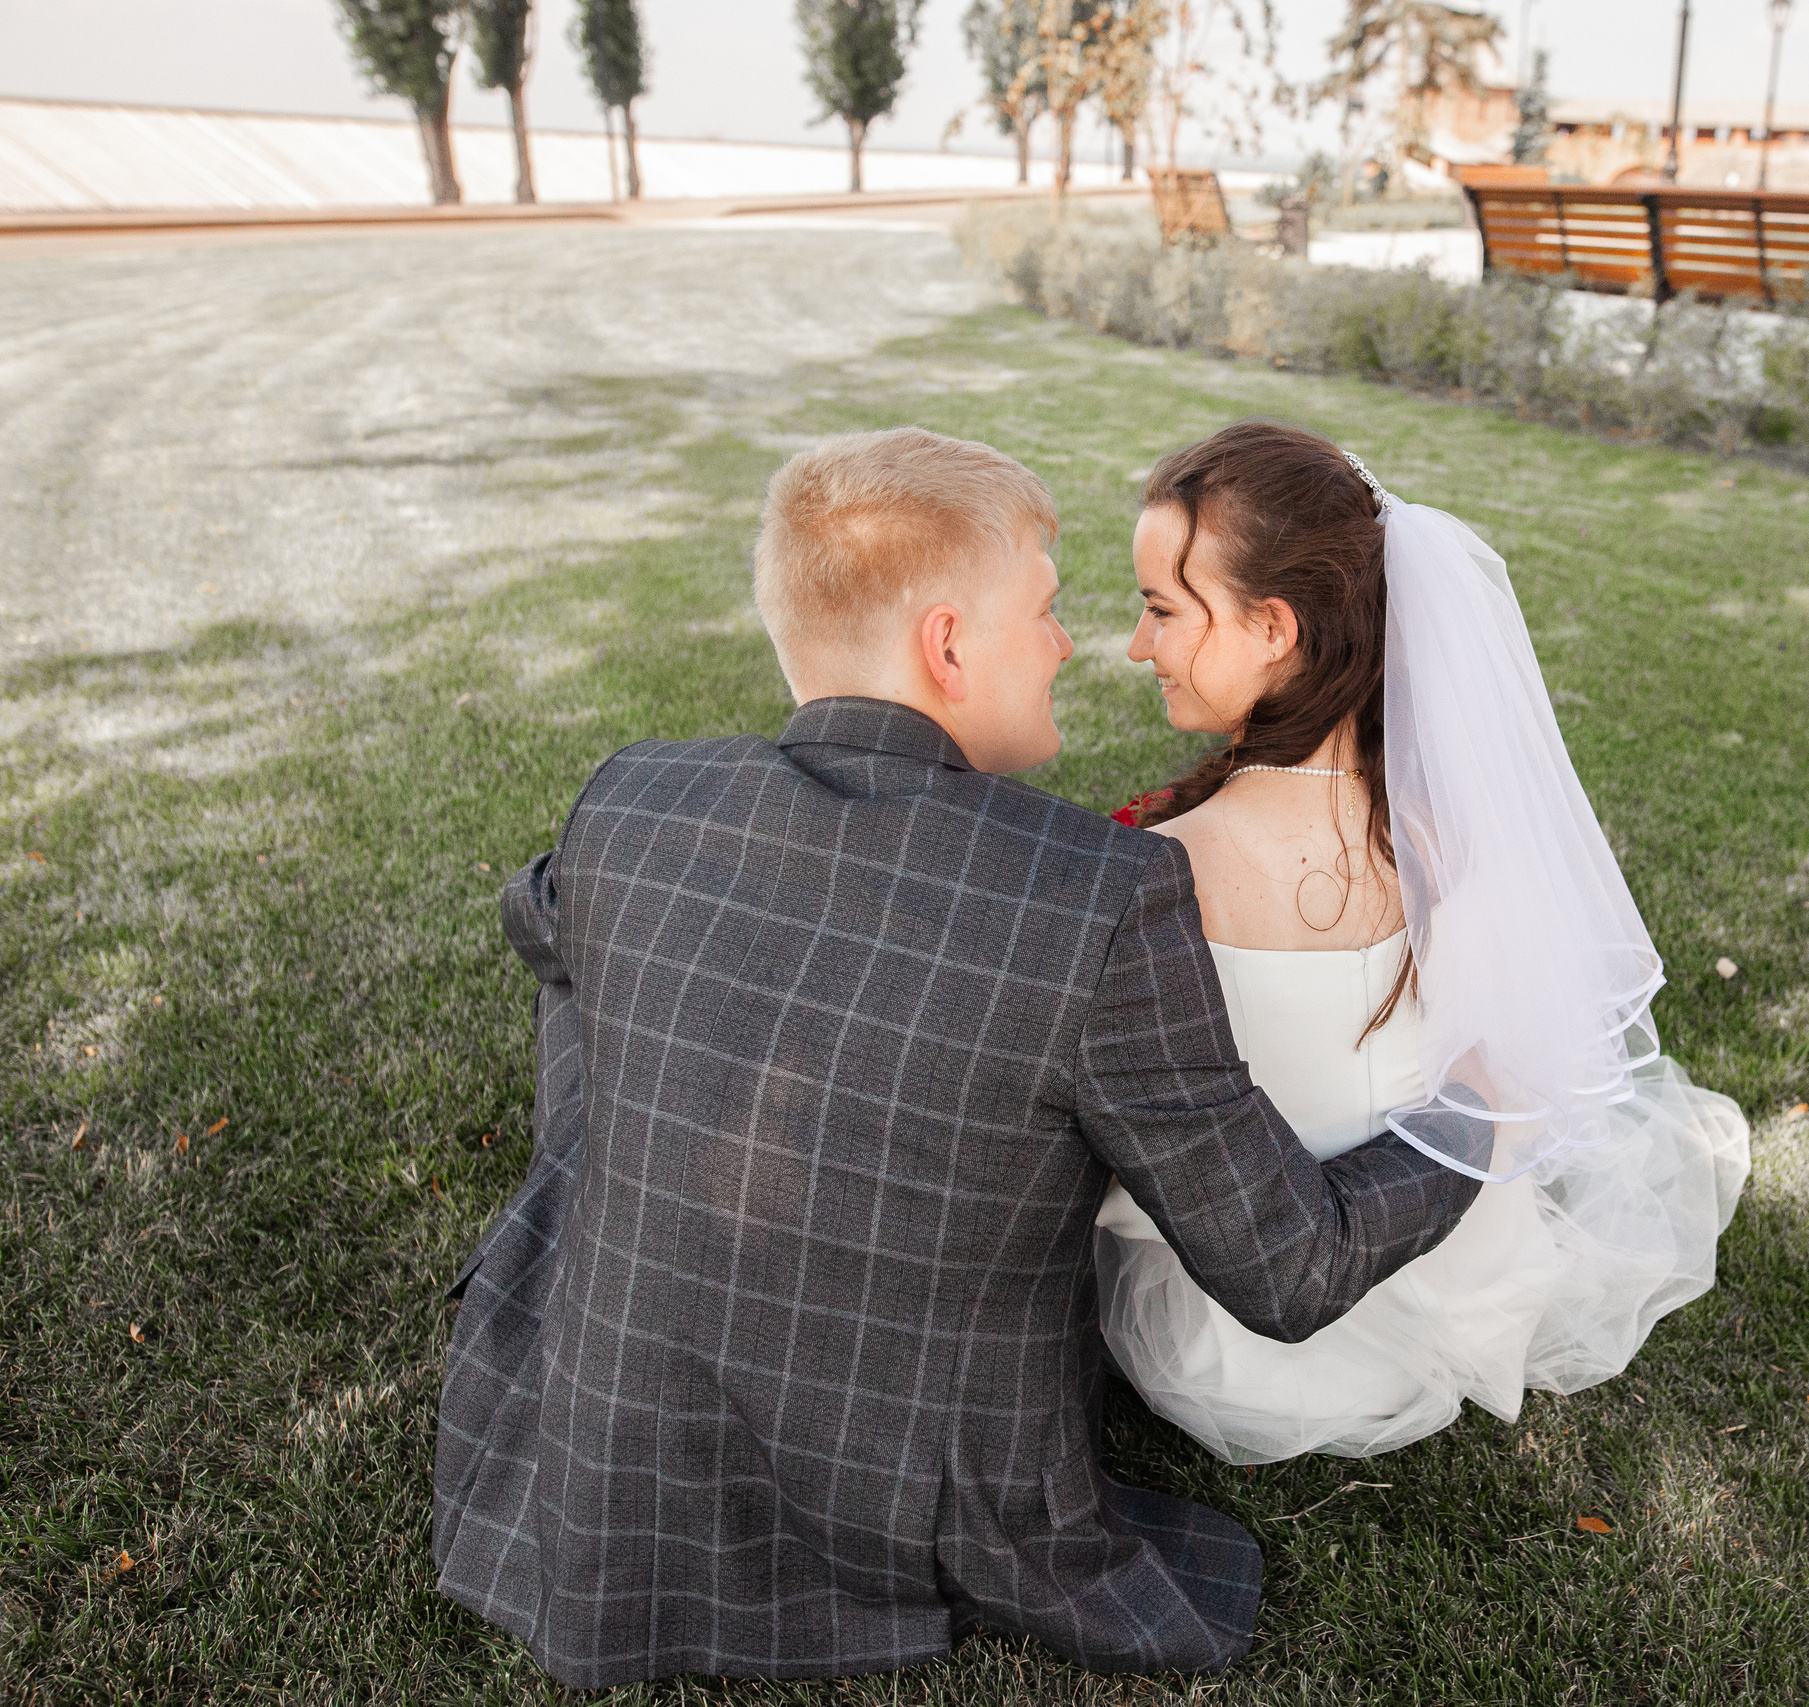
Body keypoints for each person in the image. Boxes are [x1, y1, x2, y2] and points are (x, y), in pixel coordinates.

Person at [430, 427, 1482, 1687]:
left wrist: (587, 1151)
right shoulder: (1098, 898)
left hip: (592, 1458)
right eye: (1042, 611)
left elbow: (539, 928)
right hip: (907, 1489)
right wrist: (1473, 1121)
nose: (1066, 643)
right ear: (945, 644)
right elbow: (1289, 1267)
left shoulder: (635, 799)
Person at [1095, 421, 1751, 1465]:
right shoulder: (1453, 831)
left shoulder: (1153, 868)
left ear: (1272, 627)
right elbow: (1502, 1074)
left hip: (1236, 1349)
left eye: (1161, 609)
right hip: (1463, 1301)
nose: (1139, 646)